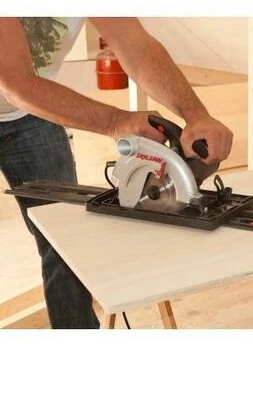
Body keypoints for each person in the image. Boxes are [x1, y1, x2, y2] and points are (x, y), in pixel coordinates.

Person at [0, 17, 233, 329]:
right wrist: (115, 122)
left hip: (30, 115)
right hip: (22, 92)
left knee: (64, 241)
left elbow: (136, 46)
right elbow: (15, 83)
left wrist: (196, 114)